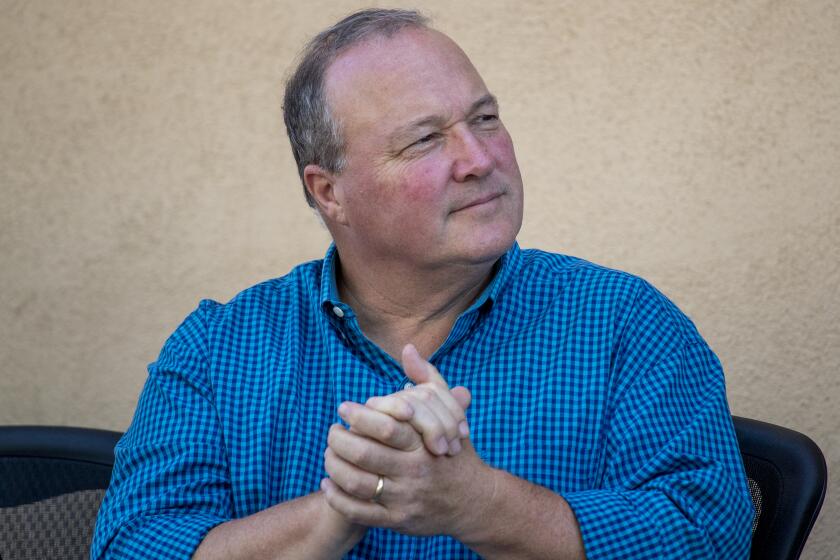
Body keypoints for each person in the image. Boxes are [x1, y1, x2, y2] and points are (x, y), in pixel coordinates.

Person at [91, 8, 753, 559]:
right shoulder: (218, 349)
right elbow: (132, 545)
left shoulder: (627, 325)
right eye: (424, 141)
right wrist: (335, 512)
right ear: (330, 193)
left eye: (485, 118)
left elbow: (712, 536)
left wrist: (481, 505)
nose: (479, 158)